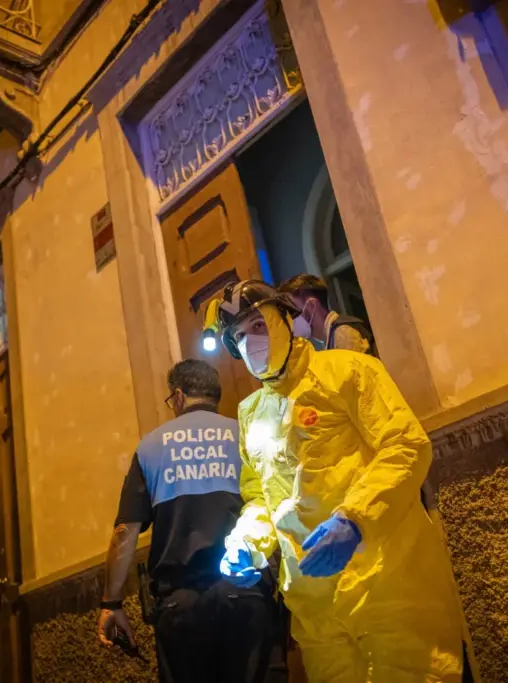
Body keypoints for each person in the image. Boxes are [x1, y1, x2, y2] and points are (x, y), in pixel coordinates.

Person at [213, 280, 465, 682]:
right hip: (315, 608)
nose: (250, 342)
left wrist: (355, 520)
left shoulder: (349, 371)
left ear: (284, 320)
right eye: (239, 336)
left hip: (387, 582)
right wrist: (248, 542)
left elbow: (405, 445)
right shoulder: (251, 413)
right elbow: (261, 495)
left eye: (258, 325)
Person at [97, 359, 274, 683]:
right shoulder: (245, 435)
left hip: (182, 607)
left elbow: (125, 532)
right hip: (247, 595)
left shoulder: (151, 448)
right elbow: (277, 509)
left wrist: (112, 602)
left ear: (178, 396)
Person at [277, 273, 377, 356]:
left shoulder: (342, 335)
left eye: (292, 310)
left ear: (311, 306)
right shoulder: (332, 339)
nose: (289, 318)